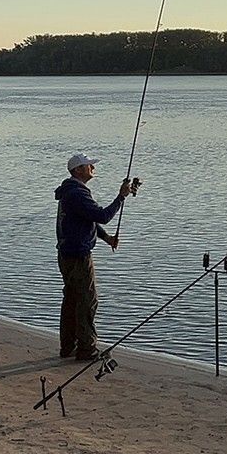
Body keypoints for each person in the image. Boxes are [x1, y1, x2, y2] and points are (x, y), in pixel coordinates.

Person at [54, 154, 139, 360]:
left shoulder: (70, 191)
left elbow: (88, 220)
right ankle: (87, 349)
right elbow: (102, 216)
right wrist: (121, 197)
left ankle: (68, 347)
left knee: (72, 300)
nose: (92, 167)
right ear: (77, 171)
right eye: (87, 165)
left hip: (66, 254)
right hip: (78, 256)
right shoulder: (77, 193)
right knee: (87, 301)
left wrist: (106, 238)